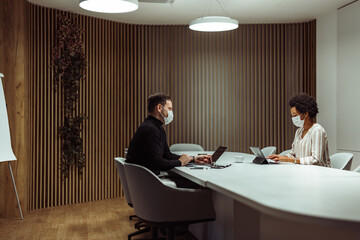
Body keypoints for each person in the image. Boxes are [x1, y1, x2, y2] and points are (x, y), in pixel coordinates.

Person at [126, 93, 211, 178]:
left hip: (148, 178)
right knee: (197, 185)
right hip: (149, 181)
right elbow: (157, 163)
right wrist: (180, 162)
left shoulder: (156, 127)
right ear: (159, 108)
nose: (171, 112)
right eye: (169, 109)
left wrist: (192, 159)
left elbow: (166, 155)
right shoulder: (150, 129)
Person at [267, 93, 331, 167]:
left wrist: (290, 160)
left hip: (320, 172)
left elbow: (315, 159)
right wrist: (280, 158)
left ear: (306, 114)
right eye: (292, 116)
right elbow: (293, 153)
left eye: (295, 115)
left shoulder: (317, 130)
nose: (293, 118)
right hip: (303, 170)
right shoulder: (299, 131)